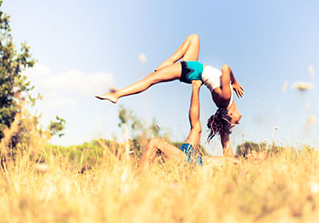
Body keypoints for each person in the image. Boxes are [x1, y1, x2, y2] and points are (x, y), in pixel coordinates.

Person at [96, 34, 244, 146]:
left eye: (234, 121)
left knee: (150, 79)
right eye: (236, 122)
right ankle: (170, 62)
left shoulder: (225, 98)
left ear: (229, 113)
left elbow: (225, 68)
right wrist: (234, 83)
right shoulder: (226, 102)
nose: (238, 121)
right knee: (194, 38)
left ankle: (117, 94)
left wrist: (235, 82)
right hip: (195, 67)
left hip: (193, 70)